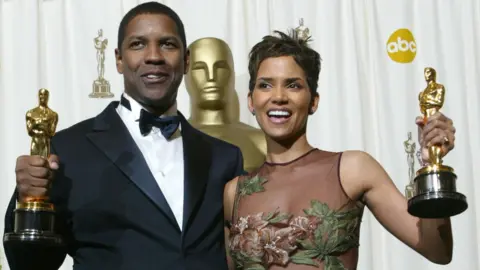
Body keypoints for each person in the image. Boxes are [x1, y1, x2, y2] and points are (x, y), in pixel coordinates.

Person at [4, 2, 244, 270]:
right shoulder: (68, 150)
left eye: (167, 44)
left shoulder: (225, 157)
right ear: (118, 59)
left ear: (186, 60)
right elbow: (29, 264)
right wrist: (28, 201)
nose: (154, 56)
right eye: (138, 44)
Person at [223, 30, 457, 270]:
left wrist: (432, 167)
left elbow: (437, 249)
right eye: (266, 85)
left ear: (313, 100)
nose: (279, 96)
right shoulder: (234, 193)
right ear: (251, 101)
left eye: (293, 85)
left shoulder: (352, 170)